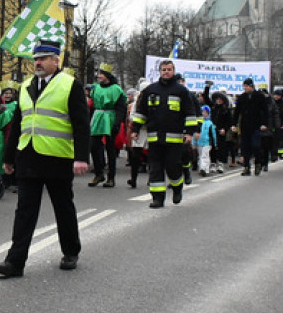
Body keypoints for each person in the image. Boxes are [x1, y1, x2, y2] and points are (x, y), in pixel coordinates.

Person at [0, 39, 89, 277]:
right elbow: (17, 125)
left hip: (57, 157)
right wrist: (9, 157)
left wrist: (81, 157)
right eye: (36, 59)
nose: (38, 63)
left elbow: (81, 124)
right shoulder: (25, 86)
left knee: (63, 207)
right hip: (28, 156)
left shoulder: (70, 85)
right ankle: (15, 262)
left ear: (57, 60)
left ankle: (70, 251)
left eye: (43, 58)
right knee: (25, 210)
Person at [132, 59, 199, 207]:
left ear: (173, 71)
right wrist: (135, 129)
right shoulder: (150, 90)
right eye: (163, 69)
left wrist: (189, 133)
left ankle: (177, 187)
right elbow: (141, 112)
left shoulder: (182, 91)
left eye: (169, 69)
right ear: (160, 72)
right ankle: (158, 198)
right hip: (154, 137)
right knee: (155, 168)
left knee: (172, 167)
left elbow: (190, 113)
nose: (166, 72)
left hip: (174, 139)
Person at [88, 63, 126, 188]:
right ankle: (99, 174)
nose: (98, 76)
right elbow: (93, 105)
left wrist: (117, 123)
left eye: (101, 74)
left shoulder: (116, 89)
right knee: (94, 145)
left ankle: (111, 177)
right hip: (98, 118)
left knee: (111, 149)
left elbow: (121, 108)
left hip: (110, 118)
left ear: (107, 76)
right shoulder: (96, 88)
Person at [232, 78, 270, 177]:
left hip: (256, 125)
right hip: (244, 126)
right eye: (244, 86)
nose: (244, 88)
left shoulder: (259, 96)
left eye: (246, 86)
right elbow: (237, 112)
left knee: (256, 145)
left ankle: (258, 163)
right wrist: (234, 124)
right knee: (245, 148)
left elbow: (265, 111)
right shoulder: (242, 97)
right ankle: (246, 167)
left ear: (251, 86)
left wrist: (265, 124)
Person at [194, 105, 216, 176]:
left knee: (205, 155)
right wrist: (193, 142)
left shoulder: (210, 123)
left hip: (207, 142)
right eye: (202, 112)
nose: (203, 113)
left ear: (208, 113)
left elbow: (213, 134)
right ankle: (202, 168)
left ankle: (204, 169)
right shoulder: (199, 122)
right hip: (199, 142)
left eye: (205, 112)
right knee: (200, 156)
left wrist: (215, 143)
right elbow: (195, 132)